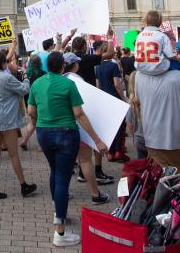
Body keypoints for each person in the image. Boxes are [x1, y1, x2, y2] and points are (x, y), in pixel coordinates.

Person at [27, 51, 107, 247]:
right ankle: (60, 233)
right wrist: (97, 140)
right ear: (63, 67)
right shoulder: (68, 84)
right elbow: (79, 114)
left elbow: (30, 111)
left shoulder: (37, 83)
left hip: (44, 133)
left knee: (55, 172)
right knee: (62, 178)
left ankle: (58, 210)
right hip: (65, 134)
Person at [133, 22, 180, 171]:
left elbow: (139, 103)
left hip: (152, 137)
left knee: (161, 180)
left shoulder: (138, 77)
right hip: (178, 139)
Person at [0, 44, 37, 201]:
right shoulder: (6, 77)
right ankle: (23, 185)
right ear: (2, 64)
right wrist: (25, 77)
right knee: (13, 155)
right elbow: (24, 89)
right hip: (7, 121)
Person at [62, 53, 112, 204]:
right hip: (78, 126)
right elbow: (83, 108)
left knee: (64, 163)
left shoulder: (58, 80)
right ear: (75, 65)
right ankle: (95, 194)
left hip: (61, 127)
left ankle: (63, 192)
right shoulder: (77, 81)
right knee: (85, 160)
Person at [95, 44, 128, 162]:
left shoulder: (97, 67)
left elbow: (97, 85)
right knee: (120, 126)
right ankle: (118, 152)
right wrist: (123, 99)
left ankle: (109, 152)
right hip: (114, 98)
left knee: (109, 127)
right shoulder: (114, 66)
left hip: (104, 99)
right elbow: (117, 84)